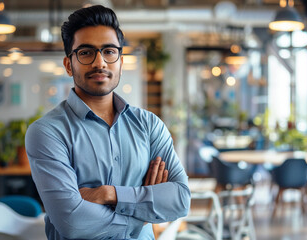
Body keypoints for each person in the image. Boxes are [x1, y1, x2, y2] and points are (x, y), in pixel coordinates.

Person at [25, 5, 190, 240]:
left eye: (109, 51)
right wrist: (144, 212)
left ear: (121, 61)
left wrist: (109, 194)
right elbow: (73, 223)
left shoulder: (149, 125)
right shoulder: (48, 132)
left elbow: (180, 200)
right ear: (68, 64)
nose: (99, 62)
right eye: (85, 52)